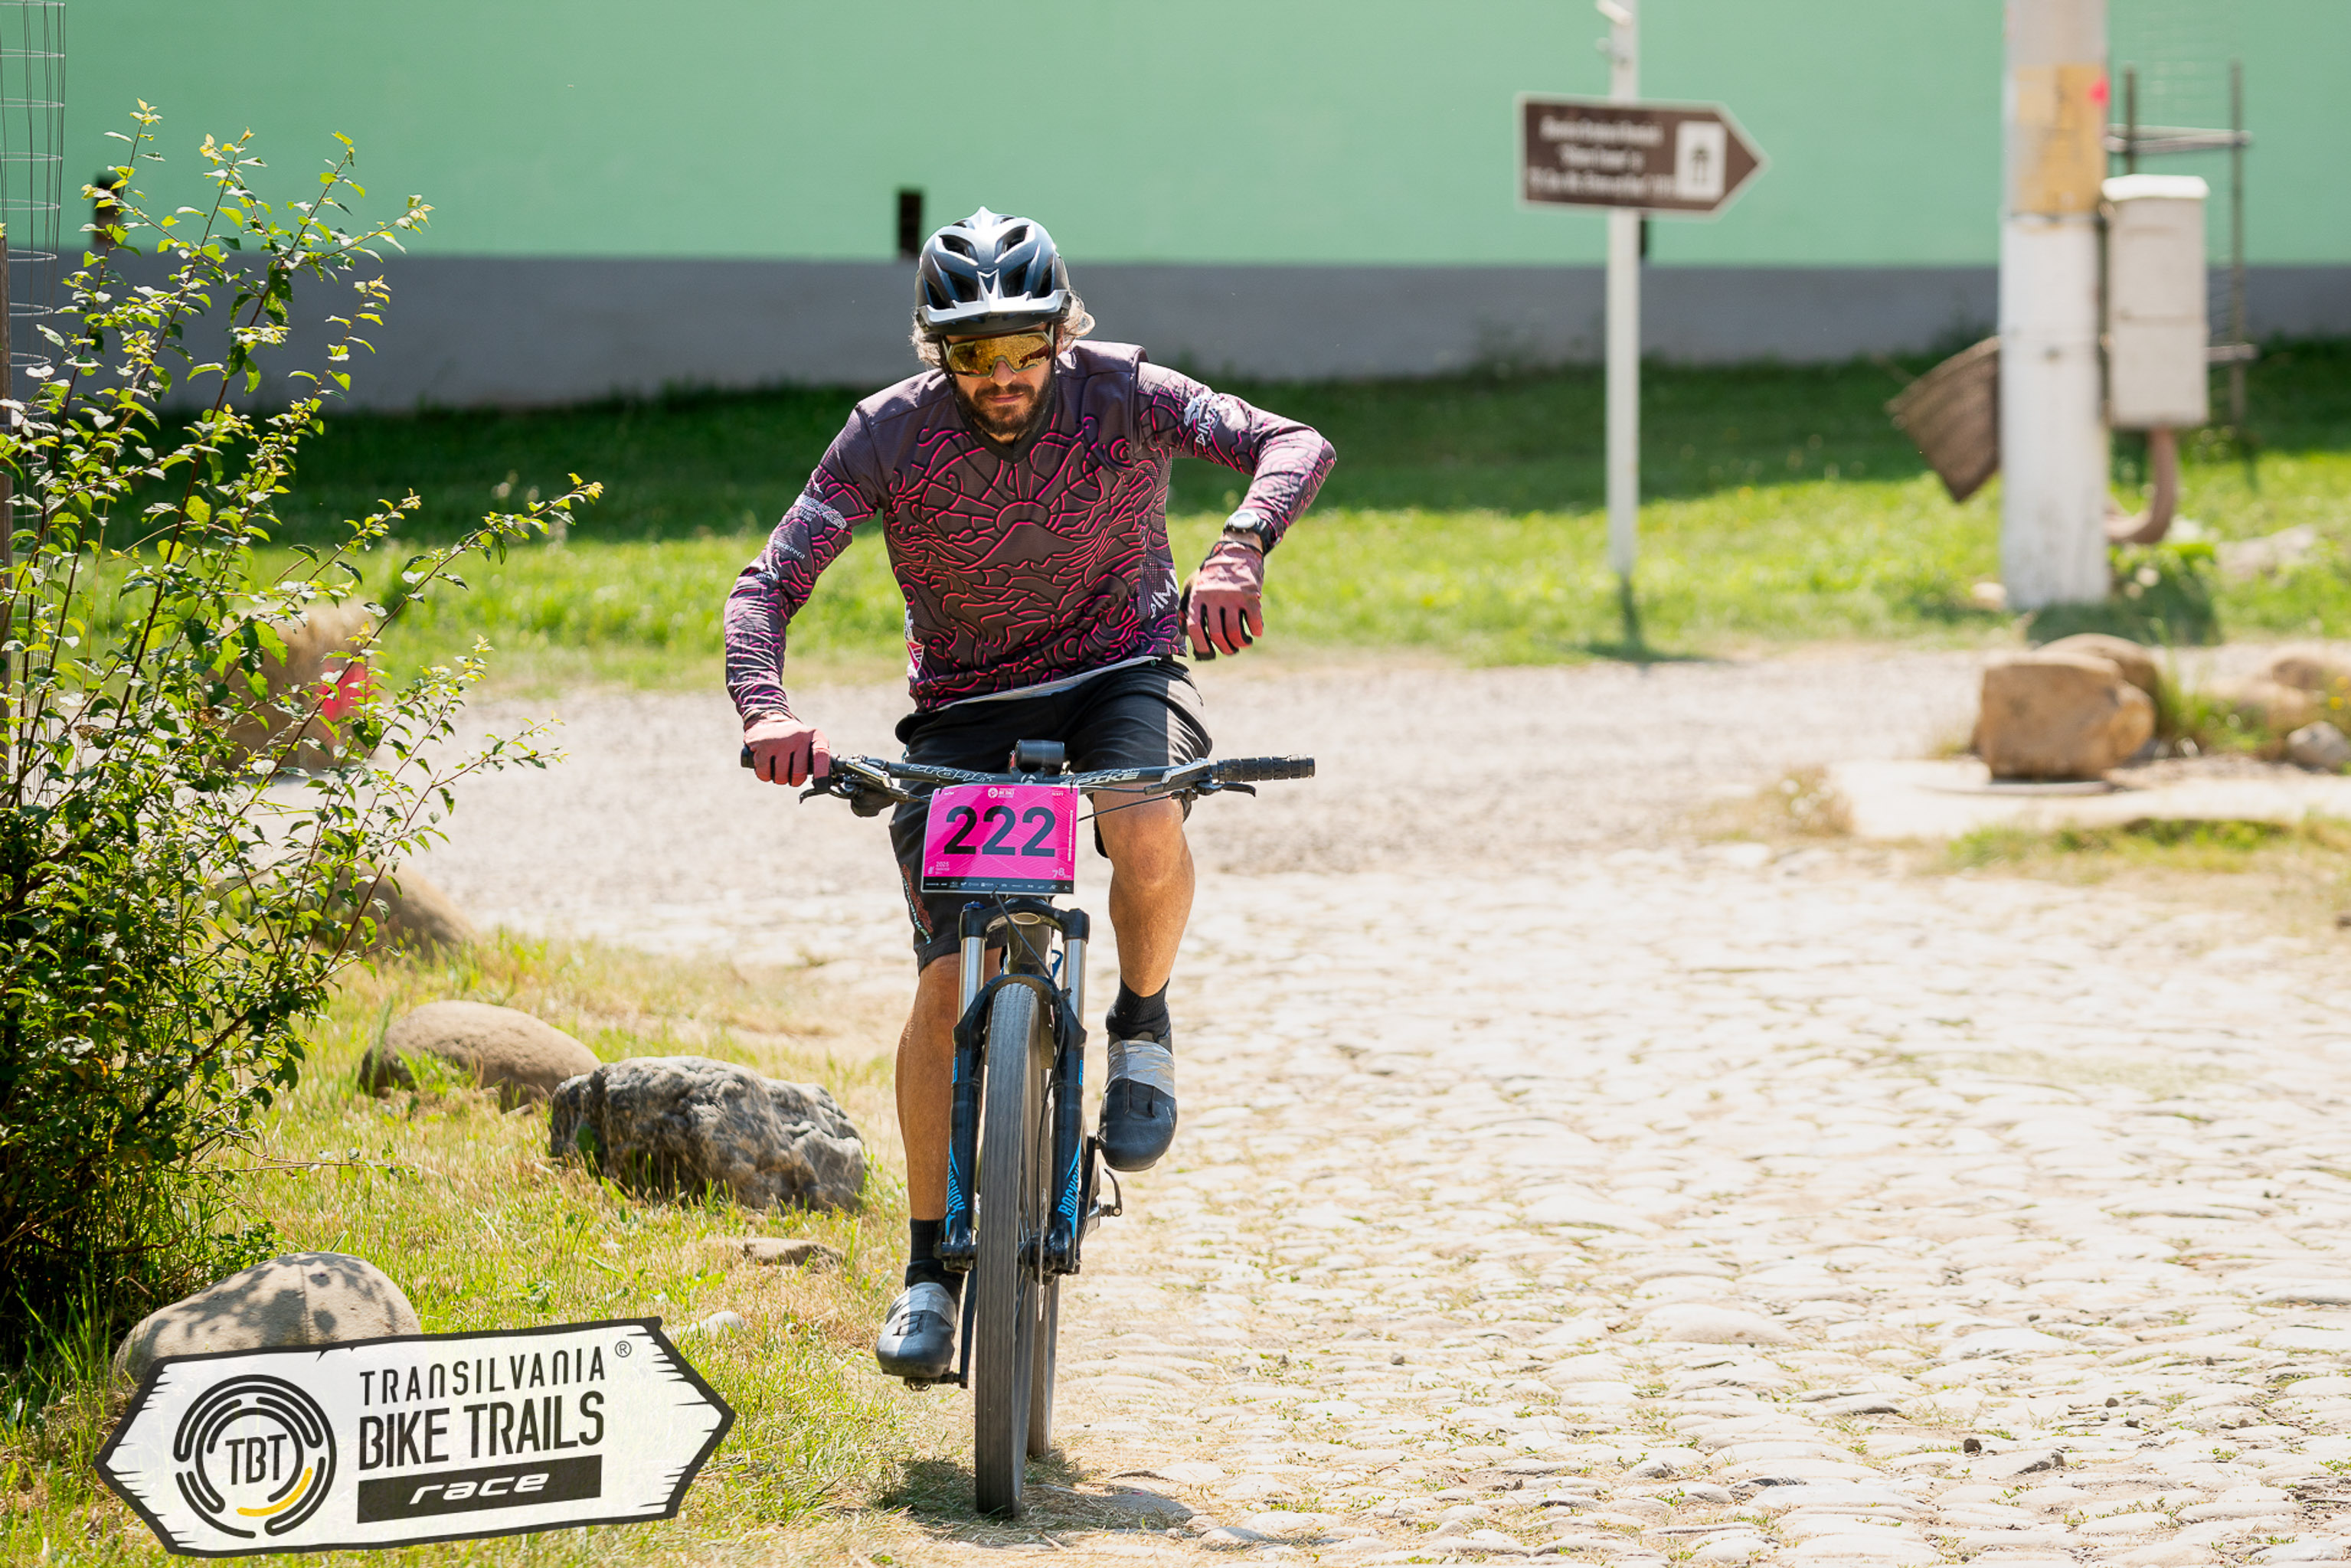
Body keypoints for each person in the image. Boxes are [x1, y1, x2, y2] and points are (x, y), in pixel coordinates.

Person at [723, 208, 1333, 1380]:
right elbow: (769, 584)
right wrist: (766, 710)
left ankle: (1141, 1024)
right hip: (966, 710)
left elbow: (1290, 442)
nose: (1001, 377)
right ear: (936, 351)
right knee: (944, 981)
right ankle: (924, 1272)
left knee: (1141, 811)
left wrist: (1239, 547)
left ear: (1061, 333)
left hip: (1122, 671)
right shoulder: (887, 435)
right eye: (972, 356)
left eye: (1023, 350)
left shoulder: (1126, 392)